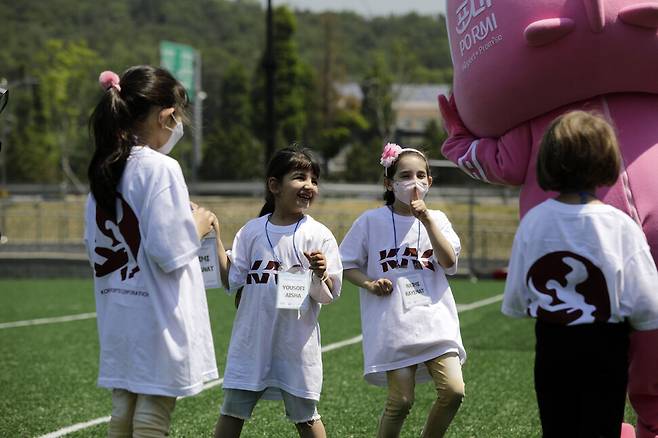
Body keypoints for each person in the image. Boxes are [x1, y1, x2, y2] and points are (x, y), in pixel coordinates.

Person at [501, 111, 658, 438]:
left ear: (549, 160)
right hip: (607, 350)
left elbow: (516, 298)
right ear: (606, 158)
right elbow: (648, 305)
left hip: (553, 347)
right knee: (602, 428)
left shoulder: (534, 221)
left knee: (558, 428)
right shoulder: (620, 225)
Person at [84, 66, 218, 437]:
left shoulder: (103, 167)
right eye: (179, 115)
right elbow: (170, 250)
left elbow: (94, 245)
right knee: (153, 414)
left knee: (124, 406)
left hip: (119, 309)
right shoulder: (161, 168)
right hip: (158, 312)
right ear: (166, 115)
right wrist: (200, 223)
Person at [212, 147, 342, 438]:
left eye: (314, 180)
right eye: (299, 177)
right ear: (274, 186)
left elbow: (329, 294)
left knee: (306, 417)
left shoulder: (319, 234)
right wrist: (215, 237)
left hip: (294, 347)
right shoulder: (251, 232)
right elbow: (231, 279)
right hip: (252, 343)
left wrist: (320, 273)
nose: (309, 185)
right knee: (231, 411)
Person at [339, 143, 466, 438]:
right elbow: (346, 265)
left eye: (421, 175)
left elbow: (449, 262)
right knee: (401, 401)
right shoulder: (370, 221)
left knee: (454, 390)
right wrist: (369, 283)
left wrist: (427, 220)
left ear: (430, 182)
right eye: (406, 175)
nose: (415, 182)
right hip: (393, 326)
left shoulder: (439, 219)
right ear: (389, 182)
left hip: (436, 322)